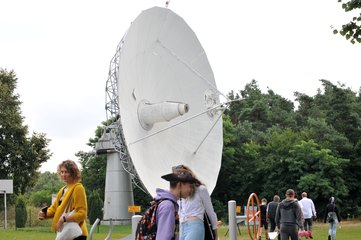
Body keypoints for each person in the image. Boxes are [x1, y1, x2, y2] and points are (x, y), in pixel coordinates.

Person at [38, 160, 88, 240]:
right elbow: (53, 209)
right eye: (61, 172)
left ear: (73, 173)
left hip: (76, 234)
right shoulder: (62, 190)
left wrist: (63, 219)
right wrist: (44, 214)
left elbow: (82, 214)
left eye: (66, 172)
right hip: (66, 232)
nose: (63, 175)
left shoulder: (78, 188)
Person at [174, 165, 218, 240]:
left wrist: (215, 231)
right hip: (182, 226)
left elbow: (210, 211)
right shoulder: (179, 192)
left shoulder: (201, 189)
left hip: (195, 225)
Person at [154, 166, 196, 239]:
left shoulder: (164, 203)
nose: (191, 190)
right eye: (190, 186)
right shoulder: (168, 206)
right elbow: (164, 237)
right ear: (180, 185)